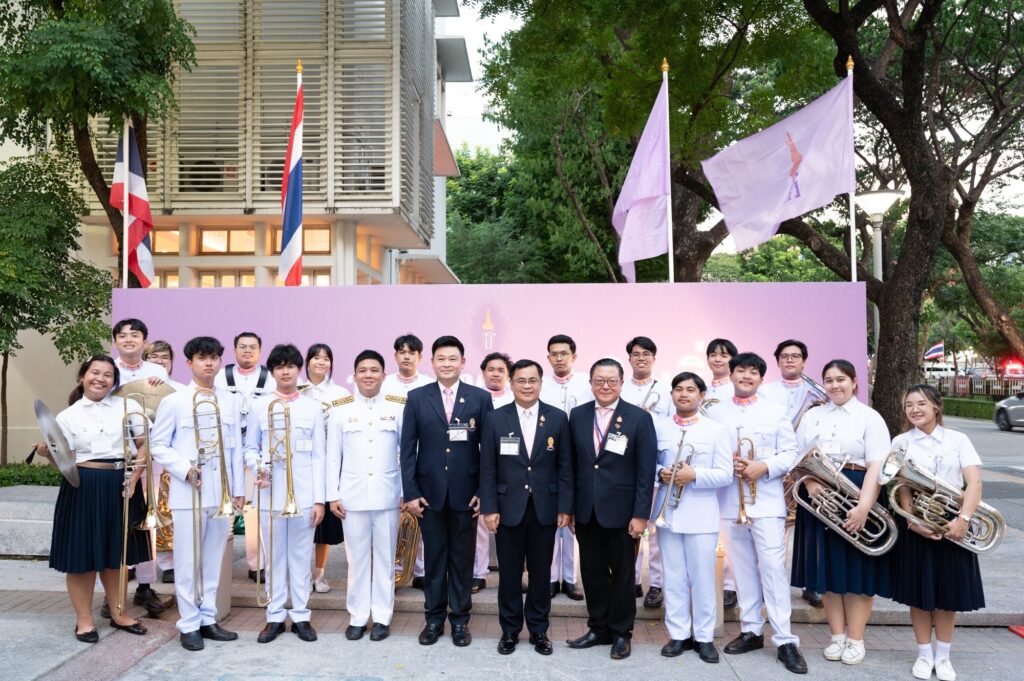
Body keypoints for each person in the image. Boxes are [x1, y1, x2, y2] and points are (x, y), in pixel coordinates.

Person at [37, 356, 150, 642]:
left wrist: (135, 478)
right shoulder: (67, 416)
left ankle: (120, 613)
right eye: (94, 372)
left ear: (115, 381)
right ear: (82, 376)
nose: (100, 378)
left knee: (117, 557)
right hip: (83, 486)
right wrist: (49, 454)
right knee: (81, 558)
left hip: (122, 484)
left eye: (108, 374)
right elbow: (67, 465)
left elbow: (144, 445)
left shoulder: (129, 406)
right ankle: (84, 621)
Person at [791, 360, 893, 665]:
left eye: (840, 380)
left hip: (859, 488)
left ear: (854, 382)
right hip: (820, 493)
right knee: (829, 568)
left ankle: (856, 638)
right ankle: (836, 636)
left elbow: (877, 465)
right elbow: (798, 458)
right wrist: (809, 483)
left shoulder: (870, 417)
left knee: (858, 570)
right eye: (829, 380)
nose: (834, 385)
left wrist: (864, 507)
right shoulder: (813, 416)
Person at [150, 336, 246, 651]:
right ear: (189, 362)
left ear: (220, 361)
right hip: (188, 492)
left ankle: (208, 619)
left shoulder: (231, 400)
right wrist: (185, 470)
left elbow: (236, 450)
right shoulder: (174, 400)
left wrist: (238, 491)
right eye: (202, 358)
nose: (209, 363)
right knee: (188, 562)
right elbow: (158, 444)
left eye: (214, 358)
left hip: (221, 494)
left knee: (213, 560)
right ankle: (188, 624)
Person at [714, 352, 807, 674]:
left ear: (760, 378)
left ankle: (785, 640)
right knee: (741, 570)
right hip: (729, 502)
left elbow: (792, 452)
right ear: (732, 374)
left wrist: (763, 466)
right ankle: (751, 630)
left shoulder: (774, 410)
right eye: (741, 371)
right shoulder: (715, 411)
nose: (746, 376)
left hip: (766, 502)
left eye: (753, 372)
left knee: (772, 569)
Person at [400, 335, 493, 647]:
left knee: (462, 560)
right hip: (429, 495)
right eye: (441, 359)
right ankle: (434, 618)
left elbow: (488, 450)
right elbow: (407, 449)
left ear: (463, 362)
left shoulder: (479, 398)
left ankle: (460, 621)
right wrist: (410, 493)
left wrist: (484, 490)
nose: (447, 364)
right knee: (435, 560)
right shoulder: (417, 398)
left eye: (453, 359)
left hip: (467, 495)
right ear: (432, 362)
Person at [891, 385, 986, 681]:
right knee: (919, 594)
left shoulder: (958, 439)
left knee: (948, 593)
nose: (915, 409)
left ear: (936, 406)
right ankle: (923, 655)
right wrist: (910, 520)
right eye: (909, 405)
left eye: (921, 403)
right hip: (917, 519)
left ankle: (943, 657)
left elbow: (974, 484)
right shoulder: (901, 441)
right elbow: (900, 486)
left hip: (953, 519)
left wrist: (963, 519)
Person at [565, 358, 657, 661]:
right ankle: (598, 627)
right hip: (587, 510)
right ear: (590, 383)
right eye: (599, 380)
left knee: (621, 575)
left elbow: (646, 471)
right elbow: (571, 467)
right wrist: (570, 508)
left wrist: (641, 514)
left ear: (621, 383)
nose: (605, 386)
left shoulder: (638, 418)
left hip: (623, 512)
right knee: (591, 572)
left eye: (612, 381)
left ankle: (621, 633)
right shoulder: (577, 416)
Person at [480, 359, 573, 656]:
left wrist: (564, 506)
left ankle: (538, 630)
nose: (527, 385)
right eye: (521, 380)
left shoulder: (557, 418)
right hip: (507, 508)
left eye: (532, 380)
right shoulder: (496, 419)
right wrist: (489, 507)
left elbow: (565, 466)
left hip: (545, 508)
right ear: (511, 383)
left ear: (541, 383)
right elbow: (488, 468)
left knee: (540, 572)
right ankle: (509, 630)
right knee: (508, 573)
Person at [245, 344, 326, 643]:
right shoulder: (259, 406)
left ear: (298, 369)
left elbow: (320, 455)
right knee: (275, 558)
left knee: (301, 556)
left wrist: (319, 499)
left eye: (291, 365)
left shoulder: (313, 407)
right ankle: (275, 616)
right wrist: (257, 466)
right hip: (270, 495)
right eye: (279, 366)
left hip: (304, 497)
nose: (286, 371)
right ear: (273, 371)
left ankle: (302, 615)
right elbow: (250, 448)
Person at [326, 350, 405, 642]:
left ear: (383, 375)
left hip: (388, 496)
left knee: (385, 560)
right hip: (352, 498)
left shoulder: (398, 406)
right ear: (354, 375)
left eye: (374, 370)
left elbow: (407, 454)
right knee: (357, 561)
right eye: (363, 370)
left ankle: (382, 617)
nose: (368, 375)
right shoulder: (340, 408)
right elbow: (333, 456)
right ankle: (358, 616)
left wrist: (405, 492)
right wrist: (332, 495)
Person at [654, 372, 732, 663]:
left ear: (701, 395)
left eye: (690, 390)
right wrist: (658, 474)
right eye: (678, 389)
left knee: (701, 577)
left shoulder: (716, 430)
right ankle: (678, 635)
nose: (683, 394)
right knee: (673, 577)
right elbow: (649, 464)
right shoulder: (659, 427)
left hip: (700, 514)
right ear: (672, 394)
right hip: (667, 512)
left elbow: (725, 473)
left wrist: (694, 474)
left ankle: (704, 637)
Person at [759, 339, 824, 608]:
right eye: (784, 356)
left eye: (795, 356)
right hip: (777, 464)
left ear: (804, 361)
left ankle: (813, 585)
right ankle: (770, 584)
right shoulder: (766, 392)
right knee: (777, 530)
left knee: (812, 526)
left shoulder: (818, 391)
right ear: (777, 361)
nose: (790, 360)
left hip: (809, 465)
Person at [111, 319, 168, 617]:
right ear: (116, 341)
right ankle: (114, 589)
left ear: (145, 342)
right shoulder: (106, 367)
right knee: (118, 522)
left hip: (150, 454)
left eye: (135, 335)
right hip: (115, 455)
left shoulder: (156, 371)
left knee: (148, 518)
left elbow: (162, 406)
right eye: (123, 335)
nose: (129, 339)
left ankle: (145, 586)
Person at [216, 332, 276, 585]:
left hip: (254, 451)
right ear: (234, 349)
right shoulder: (221, 376)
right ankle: (216, 564)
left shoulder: (269, 378)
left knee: (253, 510)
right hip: (226, 450)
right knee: (220, 508)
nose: (248, 351)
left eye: (253, 347)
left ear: (260, 351)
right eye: (243, 347)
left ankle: (257, 565)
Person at [619, 336, 671, 608]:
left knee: (658, 532)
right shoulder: (620, 388)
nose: (641, 358)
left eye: (646, 353)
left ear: (654, 358)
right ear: (629, 359)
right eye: (636, 354)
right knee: (632, 527)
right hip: (628, 466)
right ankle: (632, 580)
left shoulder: (666, 389)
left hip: (659, 466)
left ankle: (658, 585)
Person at [540, 334, 591, 602]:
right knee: (550, 517)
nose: (559, 358)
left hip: (579, 455)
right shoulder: (541, 383)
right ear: (548, 358)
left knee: (570, 517)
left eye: (564, 353)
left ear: (574, 356)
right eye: (554, 354)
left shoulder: (586, 383)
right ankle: (549, 578)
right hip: (546, 456)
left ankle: (570, 579)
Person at [380, 333, 433, 588]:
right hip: (389, 458)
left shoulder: (430, 384)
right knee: (393, 518)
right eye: (402, 352)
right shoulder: (384, 384)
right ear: (395, 356)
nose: (407, 356)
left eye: (412, 352)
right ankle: (394, 569)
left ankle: (420, 570)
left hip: (422, 458)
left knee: (420, 514)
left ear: (420, 357)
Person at [300, 343, 351, 594]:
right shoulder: (296, 390)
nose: (321, 362)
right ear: (306, 362)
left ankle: (319, 575)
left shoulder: (341, 393)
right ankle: (301, 575)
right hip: (301, 465)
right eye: (316, 357)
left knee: (324, 526)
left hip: (331, 463)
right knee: (300, 523)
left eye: (326, 358)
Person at [142, 340, 187, 585]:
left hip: (172, 461)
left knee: (170, 514)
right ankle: (142, 567)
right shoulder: (134, 389)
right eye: (154, 357)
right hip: (142, 461)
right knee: (146, 513)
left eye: (165, 358)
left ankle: (171, 564)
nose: (160, 362)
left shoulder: (181, 390)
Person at [702, 337, 739, 610]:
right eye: (713, 354)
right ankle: (707, 579)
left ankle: (729, 585)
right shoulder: (701, 389)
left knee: (729, 529)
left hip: (729, 466)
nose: (718, 359)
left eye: (724, 355)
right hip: (704, 467)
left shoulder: (736, 391)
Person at [473, 351, 514, 594]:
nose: (495, 373)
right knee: (480, 523)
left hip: (511, 470)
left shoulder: (516, 399)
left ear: (508, 375)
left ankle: (512, 574)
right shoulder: (474, 398)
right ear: (484, 372)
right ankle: (478, 573)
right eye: (491, 369)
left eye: (501, 370)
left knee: (511, 524)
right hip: (482, 468)